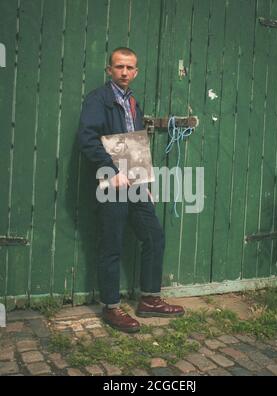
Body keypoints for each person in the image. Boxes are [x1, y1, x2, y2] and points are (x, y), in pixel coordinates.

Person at [78, 47, 184, 333]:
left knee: (154, 235)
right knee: (111, 243)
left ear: (136, 71)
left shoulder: (133, 102)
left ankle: (149, 299)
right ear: (110, 69)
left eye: (130, 68)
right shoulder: (98, 100)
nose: (124, 72)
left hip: (133, 183)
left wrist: (142, 182)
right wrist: (111, 172)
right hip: (110, 183)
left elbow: (134, 143)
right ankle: (111, 307)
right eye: (119, 67)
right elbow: (87, 139)